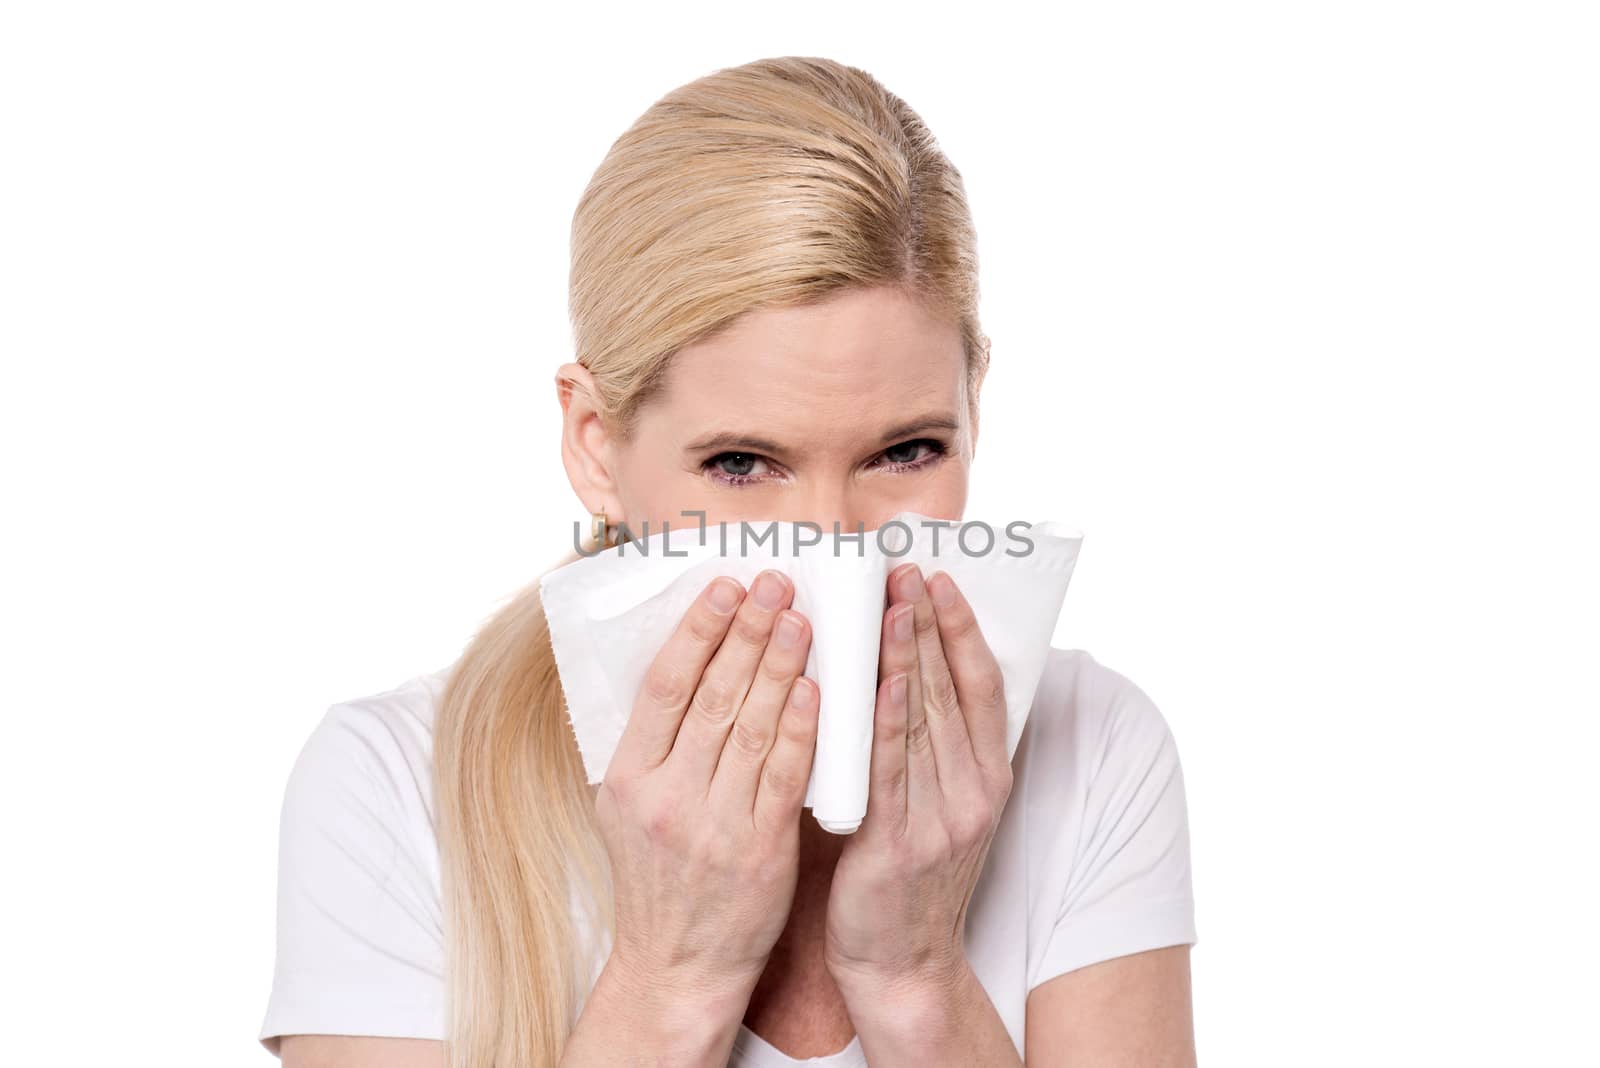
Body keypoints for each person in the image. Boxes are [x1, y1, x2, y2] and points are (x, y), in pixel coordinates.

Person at [259, 55, 1198, 1067]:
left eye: (907, 451)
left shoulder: (1091, 748)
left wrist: (914, 976)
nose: (838, 547)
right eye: (744, 464)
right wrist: (673, 979)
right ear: (593, 445)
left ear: (976, 410)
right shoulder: (395, 788)